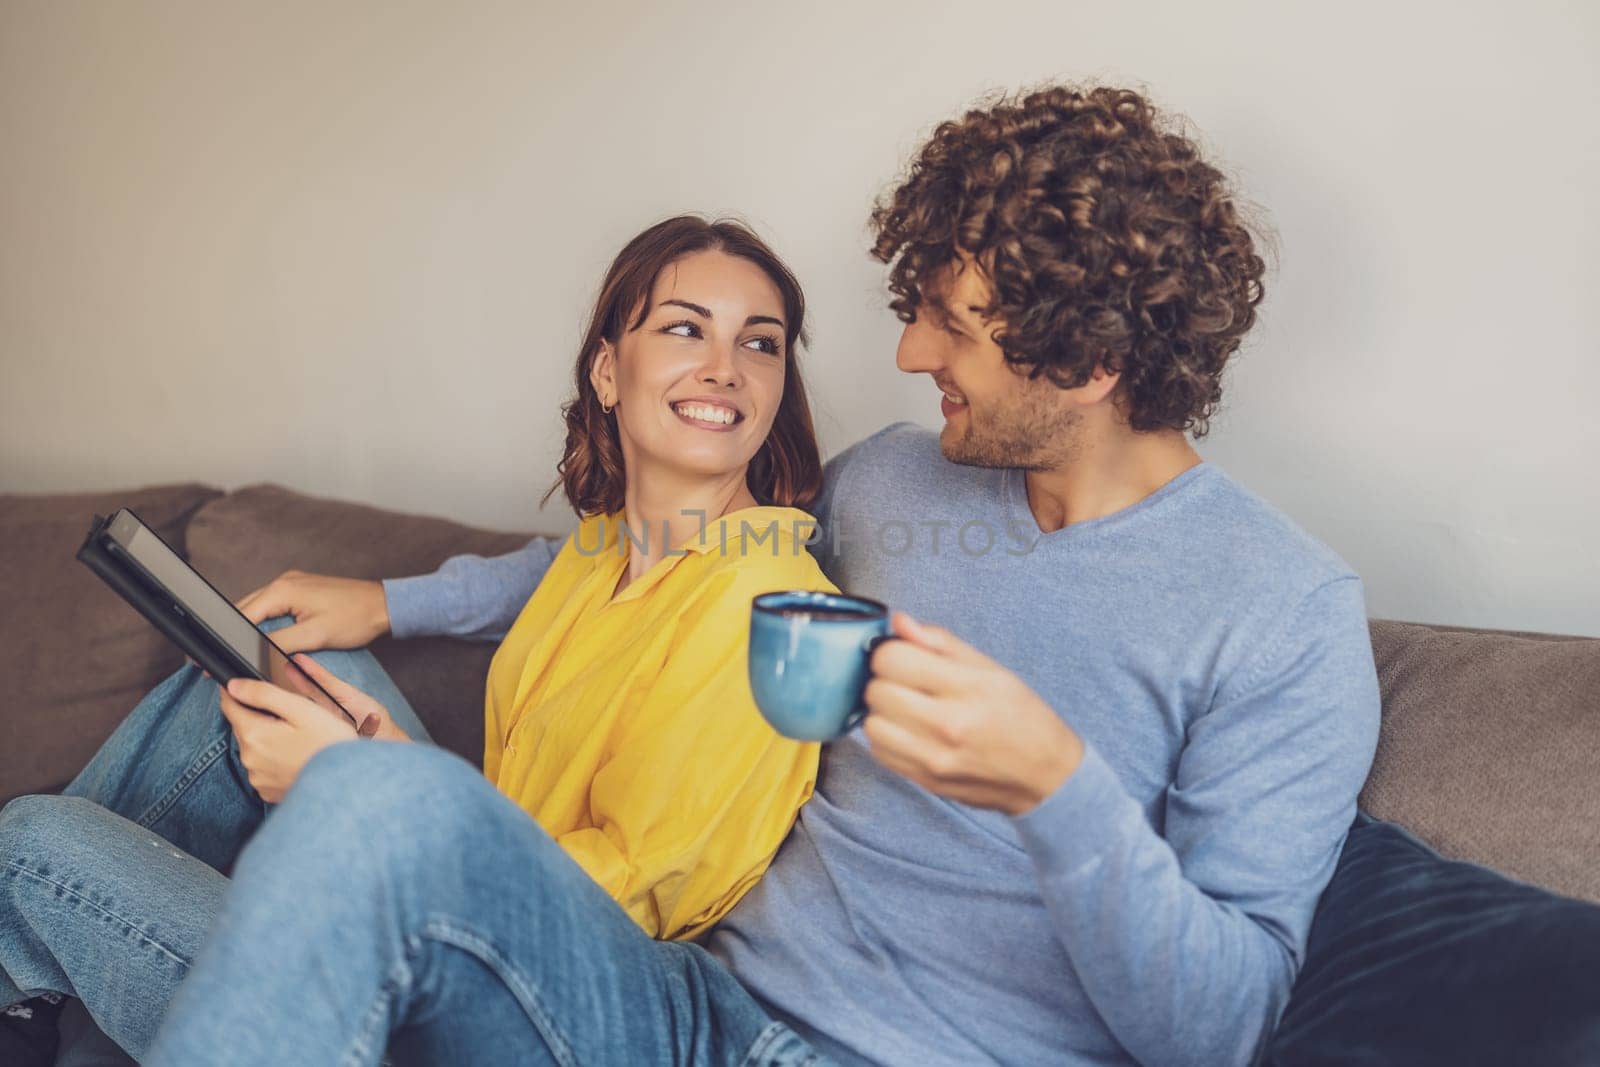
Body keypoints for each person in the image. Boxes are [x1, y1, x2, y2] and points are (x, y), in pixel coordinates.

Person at [50, 82, 1380, 1066]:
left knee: (358, 792)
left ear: (1086, 362)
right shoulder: (889, 485)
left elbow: (1223, 1023)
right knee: (346, 754)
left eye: (951, 327)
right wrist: (402, 600)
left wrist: (1058, 787)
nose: (910, 355)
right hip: (681, 1007)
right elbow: (644, 554)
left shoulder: (1281, 614)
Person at [0, 215, 839, 1063]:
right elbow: (517, 610)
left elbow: (623, 899)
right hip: (467, 899)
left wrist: (367, 779)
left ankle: (35, 978)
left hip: (526, 988)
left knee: (32, 843)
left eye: (760, 344)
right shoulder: (600, 550)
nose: (726, 368)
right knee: (285, 653)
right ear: (608, 369)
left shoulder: (765, 605)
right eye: (685, 327)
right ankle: (44, 993)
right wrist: (380, 618)